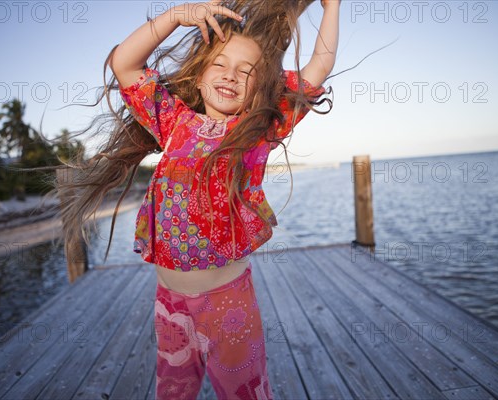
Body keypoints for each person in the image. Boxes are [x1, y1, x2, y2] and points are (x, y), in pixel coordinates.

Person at [59, 0, 339, 398]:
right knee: (172, 390)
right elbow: (124, 65)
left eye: (247, 72)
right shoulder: (173, 122)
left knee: (245, 391)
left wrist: (332, 6)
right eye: (221, 64)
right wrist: (174, 16)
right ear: (202, 71)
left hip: (228, 304)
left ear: (262, 87)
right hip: (169, 303)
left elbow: (318, 69)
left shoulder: (257, 130)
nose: (231, 76)